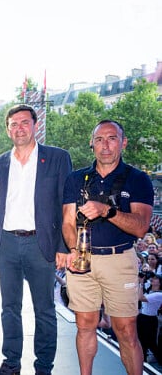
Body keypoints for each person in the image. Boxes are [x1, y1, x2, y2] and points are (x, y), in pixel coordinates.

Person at [63, 119, 154, 375]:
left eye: (112, 138)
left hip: (120, 259)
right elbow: (67, 222)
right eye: (100, 139)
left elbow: (140, 227)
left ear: (122, 143)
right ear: (92, 143)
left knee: (126, 330)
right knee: (85, 325)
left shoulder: (138, 179)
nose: (105, 145)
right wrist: (74, 250)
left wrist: (108, 211)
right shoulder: (76, 178)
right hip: (83, 262)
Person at [0, 104, 72, 375]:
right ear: (8, 129)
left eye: (24, 122)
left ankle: (44, 367)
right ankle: (11, 362)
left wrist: (63, 246)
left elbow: (65, 203)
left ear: (35, 125)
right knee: (9, 308)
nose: (19, 128)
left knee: (45, 310)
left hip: (42, 244)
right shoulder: (1, 161)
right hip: (7, 244)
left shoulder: (58, 158)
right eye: (14, 124)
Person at [138, 273, 162, 363]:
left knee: (151, 343)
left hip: (150, 319)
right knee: (141, 340)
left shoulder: (159, 294)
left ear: (160, 283)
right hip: (142, 317)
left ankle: (159, 360)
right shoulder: (149, 290)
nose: (153, 279)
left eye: (156, 279)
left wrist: (141, 283)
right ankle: (142, 361)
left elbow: (141, 298)